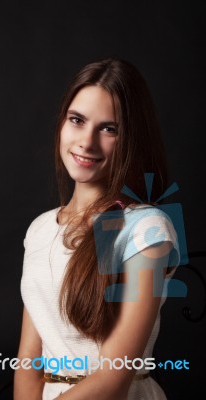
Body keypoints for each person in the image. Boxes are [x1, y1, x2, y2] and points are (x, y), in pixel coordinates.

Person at [14, 58, 180, 400]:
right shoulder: (41, 229)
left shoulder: (145, 228)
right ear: (62, 122)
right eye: (77, 120)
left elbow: (114, 377)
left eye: (109, 129)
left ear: (131, 139)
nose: (86, 142)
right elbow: (28, 362)